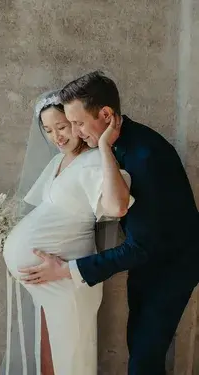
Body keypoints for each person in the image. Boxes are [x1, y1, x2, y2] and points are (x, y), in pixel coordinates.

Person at [23, 72, 199, 375]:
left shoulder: (144, 156)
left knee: (144, 359)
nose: (75, 132)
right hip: (148, 263)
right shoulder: (118, 140)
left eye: (77, 123)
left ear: (106, 114)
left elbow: (141, 246)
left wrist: (67, 270)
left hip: (172, 267)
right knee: (140, 348)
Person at [2, 90, 134, 375]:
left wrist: (103, 148)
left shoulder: (95, 163)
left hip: (67, 279)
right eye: (48, 130)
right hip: (46, 281)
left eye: (62, 127)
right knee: (49, 353)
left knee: (71, 357)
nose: (56, 137)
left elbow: (115, 206)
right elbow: (46, 213)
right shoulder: (56, 163)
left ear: (76, 122)